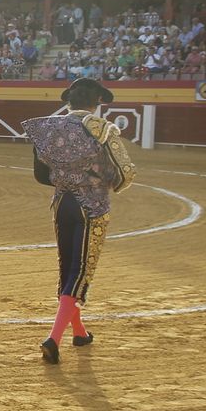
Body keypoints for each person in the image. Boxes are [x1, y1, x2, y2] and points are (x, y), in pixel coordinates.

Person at [22, 78, 136, 364]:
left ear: (69, 101)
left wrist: (66, 181)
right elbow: (125, 173)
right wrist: (100, 184)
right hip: (91, 207)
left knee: (67, 265)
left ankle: (80, 332)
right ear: (97, 103)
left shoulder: (46, 128)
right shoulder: (103, 129)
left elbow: (40, 175)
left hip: (62, 204)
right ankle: (53, 339)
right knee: (80, 271)